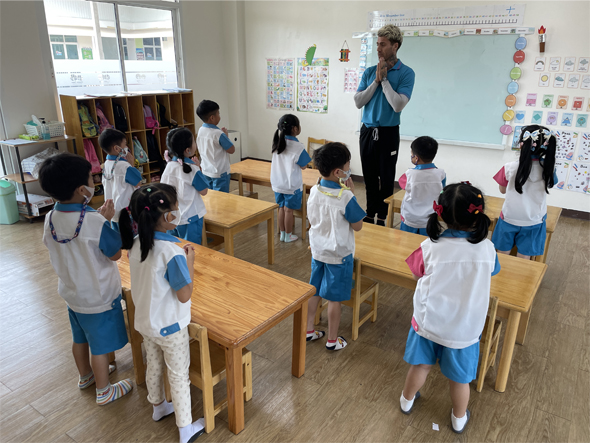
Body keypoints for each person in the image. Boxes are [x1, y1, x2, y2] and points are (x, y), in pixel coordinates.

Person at [401, 183, 500, 434]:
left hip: (428, 321)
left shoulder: (429, 247)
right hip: (464, 329)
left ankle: (406, 401)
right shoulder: (487, 249)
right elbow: (492, 272)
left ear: (440, 214)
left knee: (420, 366)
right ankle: (458, 418)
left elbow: (416, 275)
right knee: (460, 378)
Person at [39, 153, 132, 406]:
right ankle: (104, 390)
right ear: (82, 189)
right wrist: (106, 221)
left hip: (72, 294)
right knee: (100, 345)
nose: (94, 181)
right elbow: (114, 254)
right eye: (92, 178)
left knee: (79, 338)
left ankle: (85, 377)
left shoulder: (50, 218)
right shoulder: (93, 220)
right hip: (98, 296)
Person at [119, 183, 206, 443]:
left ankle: (158, 407)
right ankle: (185, 429)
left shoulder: (136, 244)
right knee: (179, 376)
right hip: (170, 326)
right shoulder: (172, 252)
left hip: (146, 323)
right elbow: (184, 294)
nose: (178, 212)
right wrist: (189, 262)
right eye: (175, 209)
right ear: (167, 217)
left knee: (154, 365)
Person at [305, 143, 366, 351]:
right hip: (339, 255)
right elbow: (357, 226)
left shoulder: (314, 190)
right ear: (338, 172)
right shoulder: (345, 196)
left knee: (314, 291)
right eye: (348, 164)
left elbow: (313, 220)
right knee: (334, 299)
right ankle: (332, 340)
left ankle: (308, 330)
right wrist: (352, 194)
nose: (350, 168)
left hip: (318, 250)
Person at [354, 24, 415, 226]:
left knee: (387, 177)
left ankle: (383, 217)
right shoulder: (370, 72)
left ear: (395, 46)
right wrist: (376, 81)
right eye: (377, 44)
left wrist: (386, 81)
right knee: (369, 177)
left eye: (383, 44)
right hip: (367, 131)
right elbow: (358, 102)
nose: (378, 48)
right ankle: (370, 214)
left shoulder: (406, 73)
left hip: (388, 132)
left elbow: (398, 105)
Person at [492, 125, 557, 259]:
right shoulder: (549, 169)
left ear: (521, 145)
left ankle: (499, 278)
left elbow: (502, 190)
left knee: (502, 255)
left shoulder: (509, 167)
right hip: (534, 220)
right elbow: (551, 184)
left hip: (509, 218)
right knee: (524, 259)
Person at [161, 127, 208, 246]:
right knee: (191, 249)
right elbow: (204, 191)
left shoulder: (169, 166)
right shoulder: (192, 169)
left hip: (171, 216)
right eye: (194, 141)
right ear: (188, 150)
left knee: (175, 247)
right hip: (191, 217)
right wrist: (198, 168)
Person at [270, 114, 312, 242]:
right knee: (289, 211)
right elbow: (304, 166)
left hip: (278, 183)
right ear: (295, 129)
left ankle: (282, 233)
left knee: (281, 208)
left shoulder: (277, 143)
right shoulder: (298, 147)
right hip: (291, 185)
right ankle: (288, 235)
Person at [399, 136, 446, 235]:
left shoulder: (408, 174)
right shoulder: (441, 174)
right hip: (430, 219)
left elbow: (402, 185)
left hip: (410, 218)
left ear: (416, 158)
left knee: (405, 243)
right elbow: (442, 190)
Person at [99, 128, 142, 232]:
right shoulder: (124, 166)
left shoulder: (106, 164)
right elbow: (138, 183)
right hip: (126, 212)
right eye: (125, 144)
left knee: (119, 238)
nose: (126, 147)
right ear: (117, 148)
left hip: (112, 211)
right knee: (130, 238)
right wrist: (131, 164)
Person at [196, 100, 236, 192]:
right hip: (220, 173)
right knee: (222, 198)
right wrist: (226, 136)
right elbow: (231, 150)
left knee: (211, 197)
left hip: (206, 170)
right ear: (212, 118)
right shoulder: (218, 133)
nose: (219, 116)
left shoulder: (201, 130)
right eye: (218, 113)